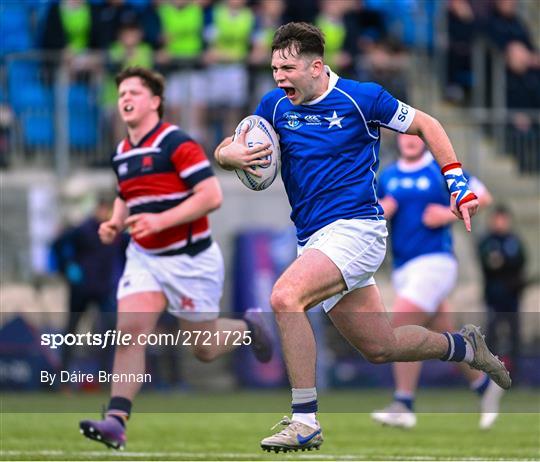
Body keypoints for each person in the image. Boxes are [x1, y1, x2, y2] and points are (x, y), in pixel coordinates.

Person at [214, 22, 511, 453]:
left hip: (357, 229)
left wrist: (456, 183)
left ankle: (304, 419)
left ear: (316, 66)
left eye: (287, 67)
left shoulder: (362, 97)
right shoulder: (275, 105)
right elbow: (230, 145)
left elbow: (427, 124)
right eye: (274, 67)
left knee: (285, 297)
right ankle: (465, 347)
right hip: (314, 239)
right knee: (381, 347)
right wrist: (229, 154)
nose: (278, 76)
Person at [79, 66, 273, 450]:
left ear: (155, 102)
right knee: (130, 332)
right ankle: (116, 421)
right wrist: (116, 223)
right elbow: (126, 193)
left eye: (134, 93)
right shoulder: (122, 152)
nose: (126, 100)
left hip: (191, 260)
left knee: (202, 348)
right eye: (121, 95)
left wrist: (160, 219)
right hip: (146, 258)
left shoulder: (177, 143)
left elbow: (210, 196)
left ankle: (249, 328)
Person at [371, 133, 504, 431]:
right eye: (403, 136)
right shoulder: (388, 175)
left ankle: (403, 403)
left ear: (424, 140)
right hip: (404, 266)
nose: (409, 140)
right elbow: (371, 213)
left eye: (414, 135)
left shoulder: (437, 170)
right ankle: (484, 385)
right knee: (444, 334)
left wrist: (448, 213)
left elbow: (483, 195)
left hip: (436, 263)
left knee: (400, 325)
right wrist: (382, 211)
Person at [52, 196, 127, 375]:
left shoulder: (117, 234)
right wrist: (67, 268)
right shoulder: (83, 230)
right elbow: (58, 246)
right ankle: (63, 377)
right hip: (81, 289)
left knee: (108, 333)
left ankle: (106, 375)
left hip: (105, 290)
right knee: (72, 332)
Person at [478, 204, 527, 379]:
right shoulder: (487, 241)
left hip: (512, 297)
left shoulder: (514, 240)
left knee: (514, 335)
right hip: (494, 297)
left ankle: (516, 374)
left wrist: (502, 263)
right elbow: (489, 264)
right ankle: (490, 374)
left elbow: (519, 262)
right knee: (492, 335)